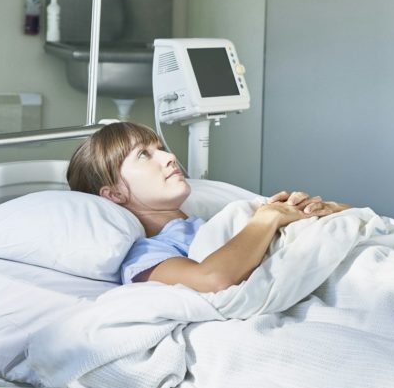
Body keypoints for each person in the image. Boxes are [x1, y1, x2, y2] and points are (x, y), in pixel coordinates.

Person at [67, 121, 349, 292]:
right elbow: (213, 278)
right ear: (114, 194)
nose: (169, 157)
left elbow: (356, 222)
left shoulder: (212, 223)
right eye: (144, 154)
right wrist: (267, 220)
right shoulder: (146, 255)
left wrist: (323, 210)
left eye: (160, 148)